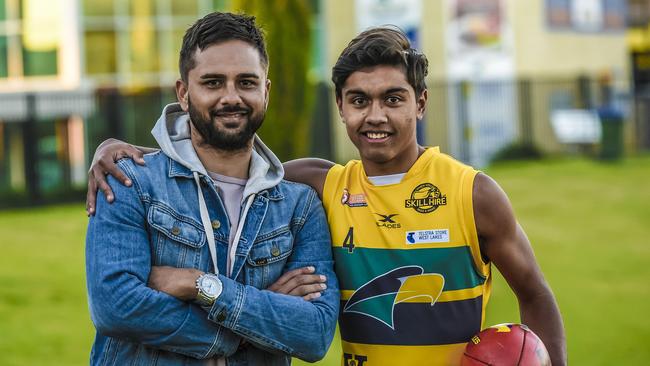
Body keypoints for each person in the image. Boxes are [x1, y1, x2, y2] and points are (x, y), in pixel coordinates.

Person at [87, 26, 566, 366]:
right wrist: (128, 153)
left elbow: (536, 293)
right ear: (340, 106)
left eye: (393, 99)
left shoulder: (473, 192)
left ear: (420, 103)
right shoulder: (321, 183)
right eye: (359, 100)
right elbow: (216, 160)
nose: (375, 115)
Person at [85, 12, 339, 366]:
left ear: (265, 92)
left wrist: (200, 284)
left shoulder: (299, 206)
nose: (230, 97)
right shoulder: (130, 182)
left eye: (247, 82)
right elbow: (116, 307)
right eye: (213, 82)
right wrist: (253, 325)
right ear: (184, 93)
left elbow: (314, 334)